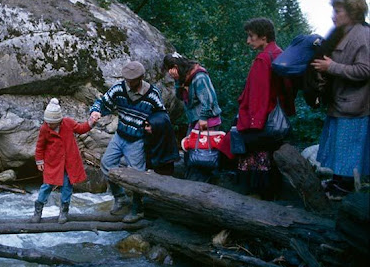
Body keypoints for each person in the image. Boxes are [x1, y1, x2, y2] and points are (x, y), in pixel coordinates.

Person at [218, 18, 295, 200]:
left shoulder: (263, 59)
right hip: (276, 118)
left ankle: (254, 194)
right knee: (266, 156)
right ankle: (267, 192)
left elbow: (258, 96)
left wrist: (252, 123)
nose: (248, 41)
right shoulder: (279, 54)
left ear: (264, 37)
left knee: (250, 150)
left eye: (251, 36)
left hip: (262, 118)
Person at [90, 61, 166, 222]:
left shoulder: (152, 93)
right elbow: (103, 103)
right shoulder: (119, 88)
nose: (128, 83)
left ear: (141, 78)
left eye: (131, 80)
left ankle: (137, 209)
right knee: (106, 164)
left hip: (137, 140)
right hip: (120, 135)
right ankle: (120, 198)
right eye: (126, 80)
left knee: (137, 175)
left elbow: (161, 115)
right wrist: (96, 112)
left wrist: (153, 125)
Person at [311, 0, 370, 200]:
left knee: (349, 148)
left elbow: (365, 70)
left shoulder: (363, 35)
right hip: (341, 101)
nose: (333, 16)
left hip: (355, 105)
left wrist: (331, 66)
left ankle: (345, 189)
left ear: (353, 12)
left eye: (338, 11)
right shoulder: (342, 33)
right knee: (339, 146)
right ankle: (338, 182)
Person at [32, 98, 95, 224]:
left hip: (68, 163)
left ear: (58, 120)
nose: (49, 125)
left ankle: (64, 211)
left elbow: (81, 128)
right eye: (48, 122)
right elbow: (40, 146)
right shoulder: (45, 128)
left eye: (52, 123)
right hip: (53, 163)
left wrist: (91, 122)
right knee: (47, 186)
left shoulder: (67, 123)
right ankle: (38, 211)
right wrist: (40, 161)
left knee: (67, 187)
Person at [163, 52, 222, 181]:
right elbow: (180, 97)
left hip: (206, 121)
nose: (169, 73)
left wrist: (203, 118)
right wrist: (177, 81)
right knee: (191, 153)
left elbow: (209, 100)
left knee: (204, 156)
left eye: (169, 69)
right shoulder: (185, 78)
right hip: (195, 121)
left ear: (175, 66)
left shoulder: (199, 77)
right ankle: (192, 182)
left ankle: (202, 185)